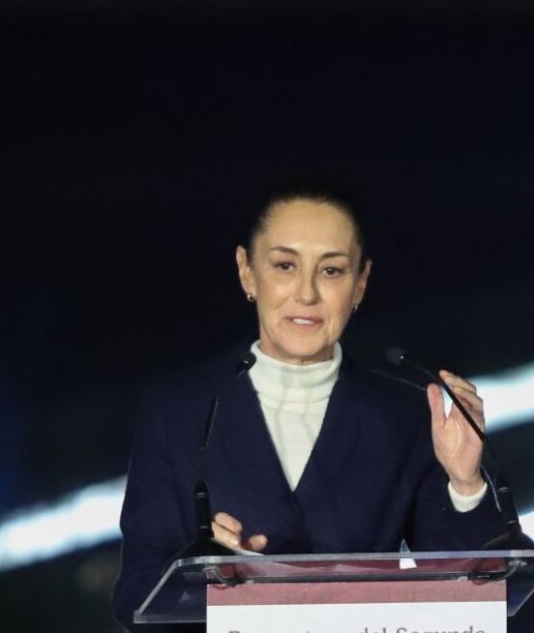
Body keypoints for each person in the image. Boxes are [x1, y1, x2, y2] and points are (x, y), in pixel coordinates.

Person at [112, 182, 505, 631]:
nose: (307, 293)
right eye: (284, 266)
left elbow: (474, 594)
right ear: (246, 271)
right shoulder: (179, 411)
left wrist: (465, 482)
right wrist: (199, 572)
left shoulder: (406, 415)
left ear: (360, 283)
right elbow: (134, 596)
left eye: (332, 271)